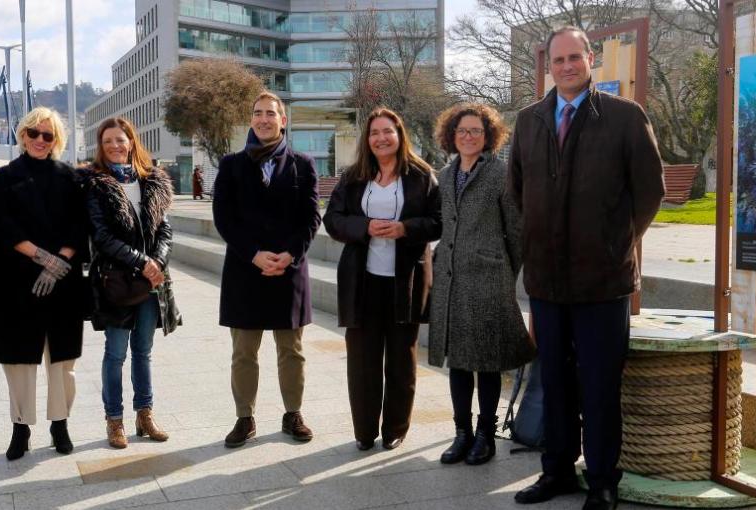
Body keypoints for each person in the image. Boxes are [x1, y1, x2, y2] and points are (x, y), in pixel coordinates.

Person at [509, 27, 665, 508]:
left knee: (599, 386)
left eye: (575, 57)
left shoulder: (624, 117)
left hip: (603, 281)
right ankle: (555, 471)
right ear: (548, 66)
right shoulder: (529, 120)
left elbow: (649, 193)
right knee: (554, 382)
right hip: (547, 282)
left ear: (590, 59)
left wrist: (616, 243)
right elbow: (518, 192)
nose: (567, 66)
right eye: (558, 60)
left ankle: (601, 481)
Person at [323, 107, 441, 452]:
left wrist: (405, 228)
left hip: (405, 281)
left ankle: (395, 429)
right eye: (374, 133)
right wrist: (364, 227)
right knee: (362, 360)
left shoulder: (421, 176)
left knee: (402, 359)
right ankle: (364, 430)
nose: (381, 138)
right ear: (367, 139)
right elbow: (333, 219)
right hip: (363, 281)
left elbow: (437, 222)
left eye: (387, 131)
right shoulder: (354, 176)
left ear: (399, 134)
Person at [427, 103, 534, 466]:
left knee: (487, 361)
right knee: (458, 361)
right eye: (462, 131)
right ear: (451, 136)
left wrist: (504, 270)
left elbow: (517, 231)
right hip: (452, 281)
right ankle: (462, 433)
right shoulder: (444, 174)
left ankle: (485, 435)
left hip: (489, 279)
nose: (468, 136)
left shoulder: (500, 174)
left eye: (475, 131)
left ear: (488, 136)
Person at [212, 91, 320, 448]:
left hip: (288, 272)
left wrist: (290, 255)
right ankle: (245, 417)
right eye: (257, 113)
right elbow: (224, 219)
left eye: (270, 113)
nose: (263, 119)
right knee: (244, 352)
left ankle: (293, 414)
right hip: (246, 272)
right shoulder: (230, 164)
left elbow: (310, 217)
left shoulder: (303, 164)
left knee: (292, 350)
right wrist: (254, 254)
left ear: (282, 120)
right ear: (251, 119)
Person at [0, 107, 89, 460]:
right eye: (34, 133)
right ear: (22, 135)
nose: (40, 140)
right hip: (15, 280)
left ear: (57, 139)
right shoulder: (5, 177)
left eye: (48, 135)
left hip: (64, 280)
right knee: (18, 360)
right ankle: (20, 428)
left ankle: (60, 424)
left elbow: (80, 225)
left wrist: (60, 262)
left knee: (62, 360)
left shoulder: (71, 177)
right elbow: (1, 225)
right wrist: (43, 259)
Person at [84, 117, 181, 449]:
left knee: (144, 352)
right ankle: (115, 420)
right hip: (117, 282)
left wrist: (158, 262)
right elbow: (102, 237)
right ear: (101, 145)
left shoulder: (151, 180)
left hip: (152, 283)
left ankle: (145, 415)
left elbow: (164, 230)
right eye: (108, 140)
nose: (115, 146)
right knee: (115, 354)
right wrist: (144, 263)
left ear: (131, 142)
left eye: (120, 140)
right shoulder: (96, 185)